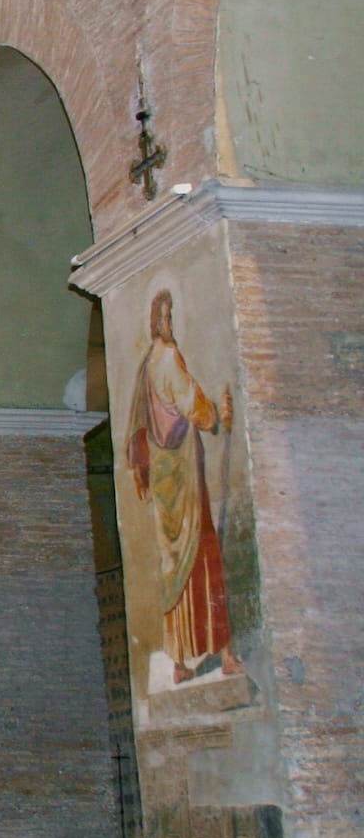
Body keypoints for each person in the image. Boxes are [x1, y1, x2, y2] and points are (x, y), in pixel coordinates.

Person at [126, 289, 242, 683]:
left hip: (163, 477)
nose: (172, 325)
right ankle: (223, 654)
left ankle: (179, 659)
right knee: (203, 551)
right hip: (183, 475)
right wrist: (215, 416)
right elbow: (195, 405)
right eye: (169, 317)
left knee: (171, 563)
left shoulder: (145, 367)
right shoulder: (167, 359)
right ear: (162, 322)